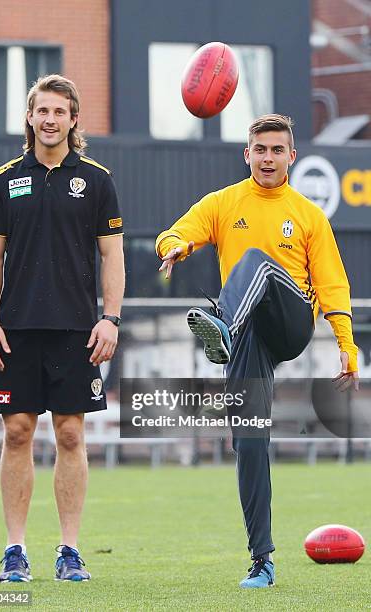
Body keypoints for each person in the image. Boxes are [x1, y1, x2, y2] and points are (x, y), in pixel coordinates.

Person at [155, 114, 359, 588]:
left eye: (276, 150)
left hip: (289, 324)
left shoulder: (307, 214)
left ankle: (220, 328)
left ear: (291, 156)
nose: (268, 158)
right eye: (260, 150)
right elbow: (179, 231)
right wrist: (175, 247)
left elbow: (332, 282)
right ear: (246, 155)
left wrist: (347, 345)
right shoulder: (223, 203)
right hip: (247, 337)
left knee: (257, 265)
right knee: (248, 440)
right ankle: (262, 560)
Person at [0, 74, 125, 582]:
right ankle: (15, 550)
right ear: (29, 117)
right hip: (16, 331)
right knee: (17, 432)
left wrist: (110, 317)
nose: (50, 119)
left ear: (74, 119)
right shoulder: (3, 179)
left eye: (60, 112)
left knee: (69, 434)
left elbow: (113, 256)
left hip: (75, 330)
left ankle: (69, 551)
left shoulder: (97, 180)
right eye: (42, 111)